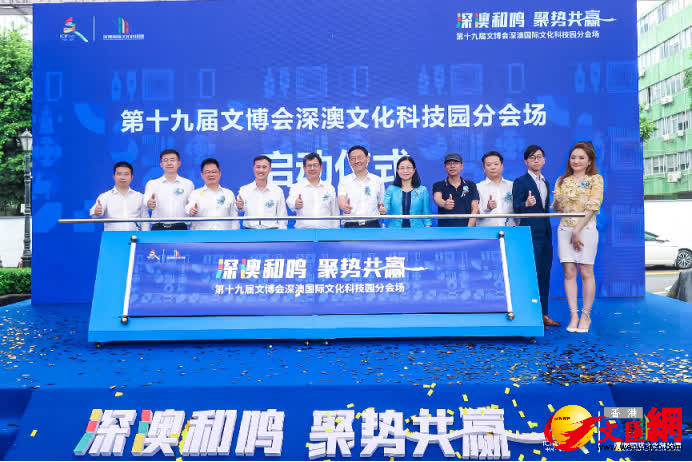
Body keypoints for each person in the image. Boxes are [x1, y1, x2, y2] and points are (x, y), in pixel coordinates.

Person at [551, 141, 604, 333]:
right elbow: (557, 209)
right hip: (565, 229)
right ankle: (573, 314)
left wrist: (577, 230)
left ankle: (586, 315)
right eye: (573, 157)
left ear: (589, 161)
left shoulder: (595, 179)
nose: (576, 161)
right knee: (569, 272)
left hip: (585, 229)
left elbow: (593, 206)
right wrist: (557, 202)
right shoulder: (562, 180)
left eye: (581, 157)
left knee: (586, 272)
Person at [512, 145, 560, 328]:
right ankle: (530, 316)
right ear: (526, 161)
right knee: (531, 275)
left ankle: (544, 314)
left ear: (544, 160)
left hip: (545, 234)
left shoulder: (546, 183)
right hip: (530, 234)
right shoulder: (520, 182)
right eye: (532, 157)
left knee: (545, 274)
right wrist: (526, 203)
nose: (536, 160)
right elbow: (516, 208)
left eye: (539, 157)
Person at [90, 161, 150, 231]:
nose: (122, 177)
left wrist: (146, 236)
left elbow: (145, 221)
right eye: (119, 174)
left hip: (135, 236)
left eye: (126, 174)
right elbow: (94, 216)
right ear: (114, 176)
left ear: (131, 177)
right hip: (113, 236)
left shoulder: (140, 197)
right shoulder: (105, 196)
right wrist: (97, 212)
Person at [144, 148, 194, 230]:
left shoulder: (188, 184)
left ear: (179, 163)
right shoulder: (152, 184)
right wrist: (149, 203)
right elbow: (146, 201)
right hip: (159, 227)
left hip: (180, 228)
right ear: (161, 164)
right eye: (165, 160)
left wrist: (192, 209)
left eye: (172, 160)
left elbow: (191, 205)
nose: (169, 163)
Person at [338, 145, 386, 228]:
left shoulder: (377, 181)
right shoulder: (344, 181)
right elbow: (341, 198)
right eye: (353, 158)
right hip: (351, 225)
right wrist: (343, 205)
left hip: (372, 225)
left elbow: (381, 204)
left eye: (359, 157)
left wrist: (383, 210)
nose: (357, 161)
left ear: (367, 159)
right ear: (349, 162)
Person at [286, 153, 339, 229]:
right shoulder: (297, 187)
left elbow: (335, 212)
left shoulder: (329, 188)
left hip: (326, 232)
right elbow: (290, 201)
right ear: (304, 168)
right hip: (303, 231)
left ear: (321, 167)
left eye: (315, 165)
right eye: (309, 166)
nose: (312, 168)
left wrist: (335, 230)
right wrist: (295, 203)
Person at [185, 158, 239, 230]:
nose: (211, 175)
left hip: (224, 235)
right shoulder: (195, 194)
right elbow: (188, 210)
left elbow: (234, 218)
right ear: (202, 175)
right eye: (207, 172)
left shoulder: (228, 194)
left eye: (214, 172)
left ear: (219, 174)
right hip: (201, 235)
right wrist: (191, 211)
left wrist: (235, 234)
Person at [236, 155, 288, 229]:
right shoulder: (244, 190)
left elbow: (282, 217)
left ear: (270, 169)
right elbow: (238, 210)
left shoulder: (277, 191)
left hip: (272, 232)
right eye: (258, 167)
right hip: (250, 232)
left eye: (264, 167)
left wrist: (281, 233)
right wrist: (239, 206)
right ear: (253, 168)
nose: (261, 170)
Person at [432, 153, 479, 227]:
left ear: (462, 166)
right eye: (449, 163)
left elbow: (475, 208)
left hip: (467, 229)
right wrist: (444, 204)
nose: (452, 166)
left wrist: (469, 228)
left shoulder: (471, 185)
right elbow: (437, 199)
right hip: (444, 230)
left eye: (456, 163)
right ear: (445, 167)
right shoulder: (438, 185)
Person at [383, 156, 432, 228]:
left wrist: (427, 229)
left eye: (408, 168)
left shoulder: (422, 190)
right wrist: (383, 210)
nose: (405, 171)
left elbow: (426, 214)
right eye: (402, 168)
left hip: (417, 230)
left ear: (414, 170)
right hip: (395, 230)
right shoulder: (391, 189)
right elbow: (385, 208)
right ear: (397, 170)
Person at [476, 151, 516, 227]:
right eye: (488, 165)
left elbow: (518, 209)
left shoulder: (512, 186)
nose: (493, 167)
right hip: (487, 231)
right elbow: (474, 213)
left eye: (496, 164)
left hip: (510, 230)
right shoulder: (477, 188)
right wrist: (487, 208)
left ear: (502, 166)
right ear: (484, 168)